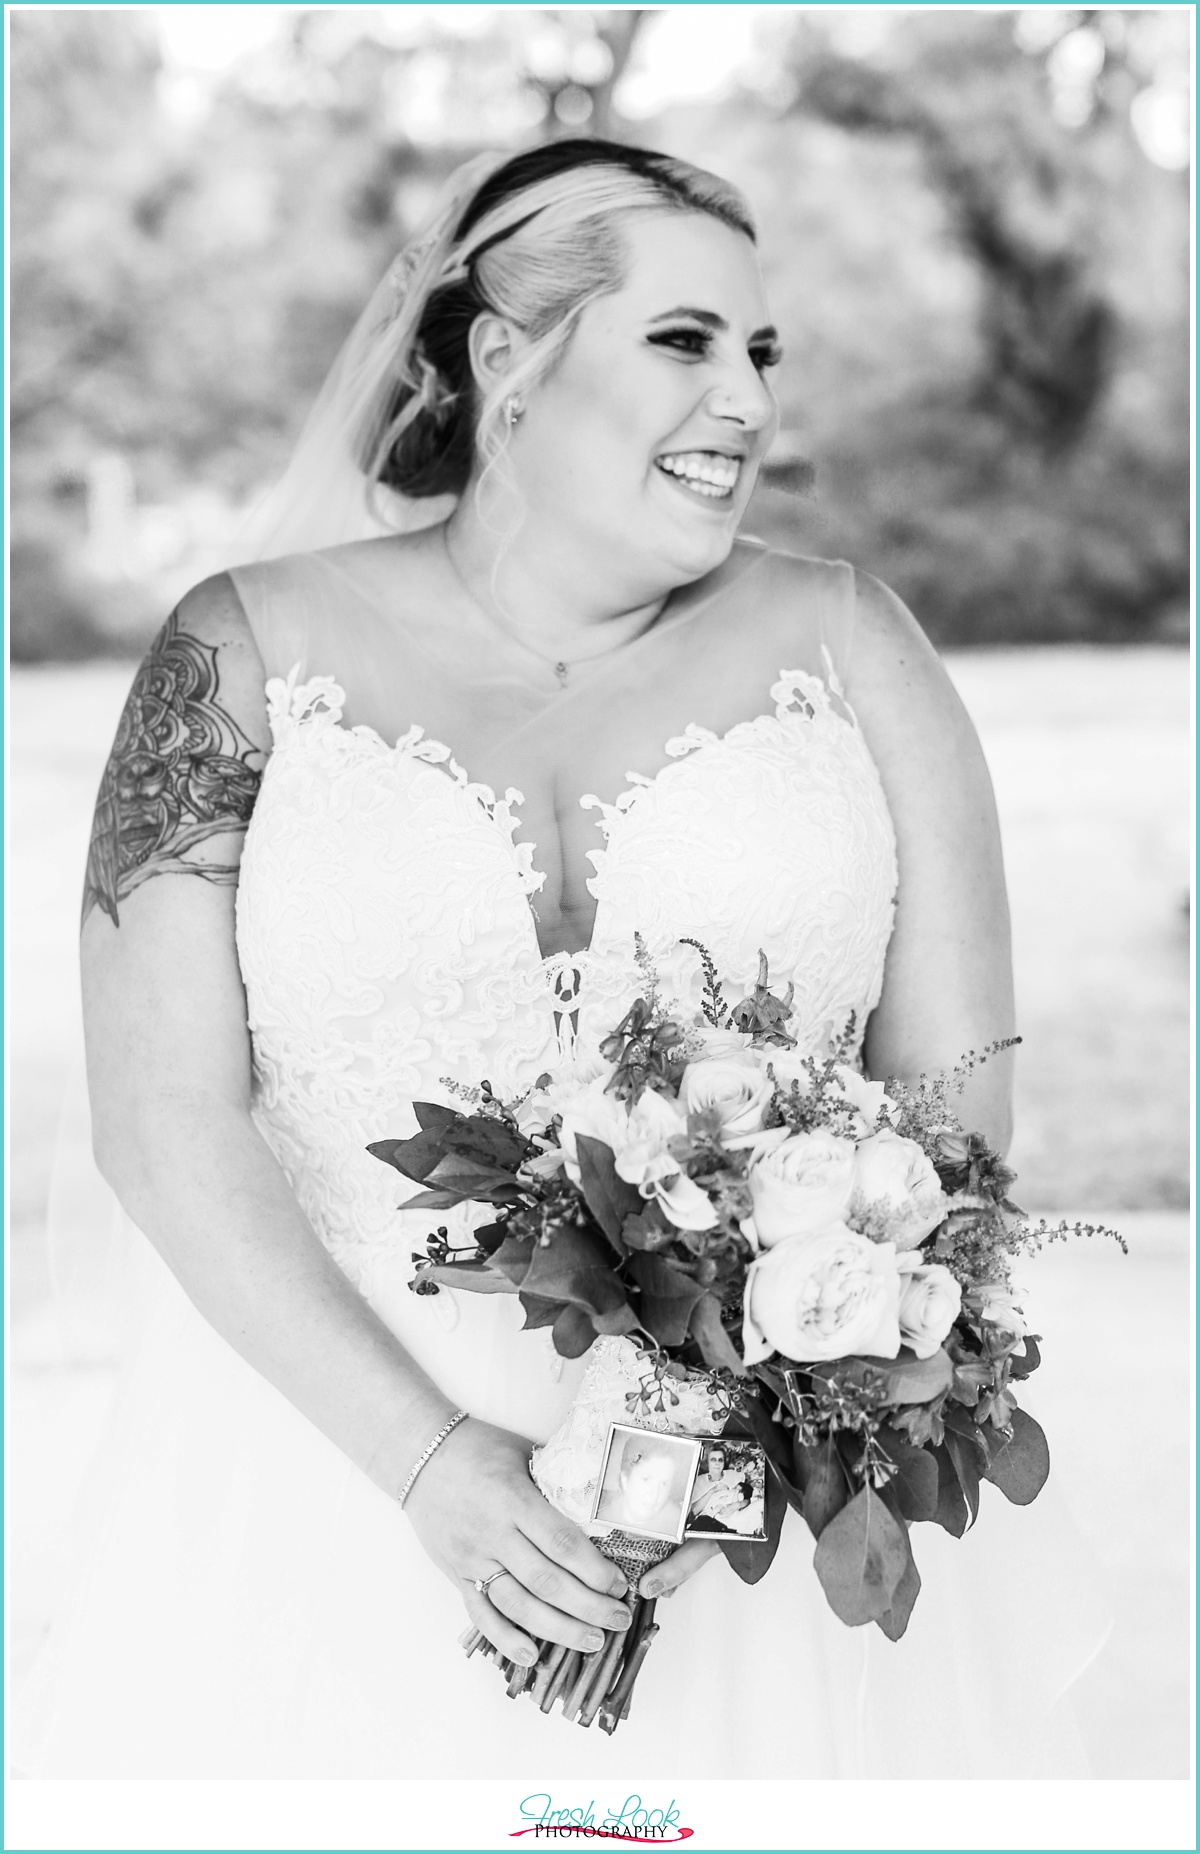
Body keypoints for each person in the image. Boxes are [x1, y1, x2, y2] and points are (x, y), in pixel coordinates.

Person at [18, 137, 1106, 1780]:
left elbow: (961, 1106)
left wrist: (735, 1418)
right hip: (315, 1486)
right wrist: (436, 1466)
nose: (744, 397)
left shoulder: (854, 641)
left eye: (761, 352)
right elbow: (159, 1120)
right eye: (685, 339)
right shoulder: (230, 656)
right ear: (505, 360)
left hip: (740, 1531)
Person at [598, 1443, 687, 1542]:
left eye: (664, 1484)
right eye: (646, 1479)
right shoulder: (600, 1517)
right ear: (625, 1480)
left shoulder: (675, 1527)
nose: (655, 1493)